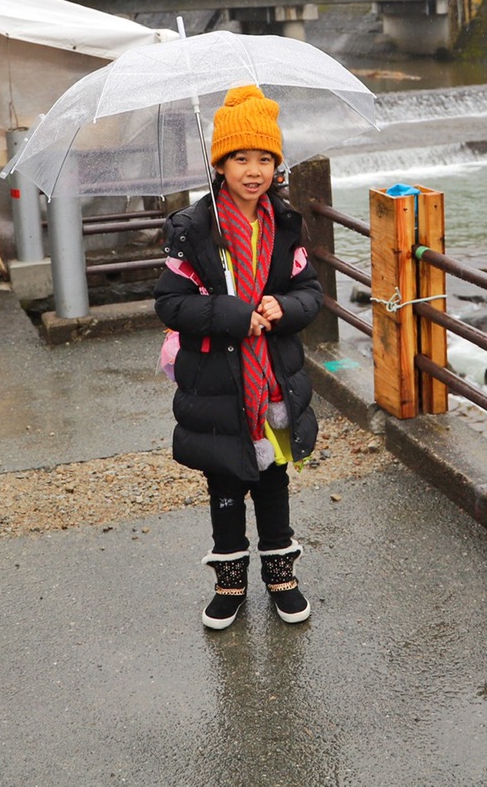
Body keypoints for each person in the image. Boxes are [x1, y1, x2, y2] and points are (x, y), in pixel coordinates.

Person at [154, 85, 323, 630]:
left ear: (278, 164)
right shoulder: (195, 230)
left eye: (265, 159)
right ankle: (229, 583)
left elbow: (312, 293)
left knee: (273, 480)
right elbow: (170, 302)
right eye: (241, 158)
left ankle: (281, 575)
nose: (254, 170)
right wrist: (230, 313)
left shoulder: (286, 225)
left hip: (272, 381)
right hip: (217, 383)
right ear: (220, 164)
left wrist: (284, 305)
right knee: (226, 482)